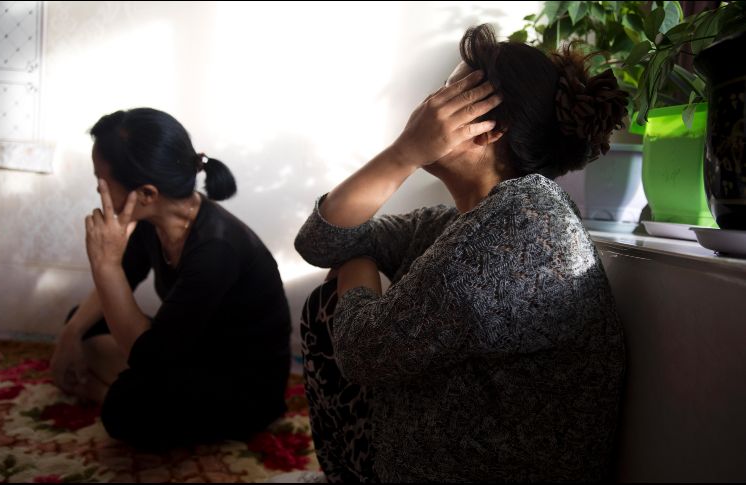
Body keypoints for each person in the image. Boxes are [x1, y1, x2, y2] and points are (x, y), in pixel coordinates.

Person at [294, 24, 627, 482]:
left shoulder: (523, 225)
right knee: (327, 302)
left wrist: (358, 261)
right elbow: (320, 240)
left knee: (338, 301)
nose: (426, 109)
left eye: (447, 97)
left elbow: (361, 351)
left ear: (492, 130)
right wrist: (401, 154)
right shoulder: (458, 220)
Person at [50, 108, 292, 450]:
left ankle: (101, 389)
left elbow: (149, 357)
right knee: (82, 320)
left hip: (240, 385)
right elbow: (128, 283)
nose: (98, 190)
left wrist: (105, 266)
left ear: (147, 194)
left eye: (102, 182)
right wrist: (69, 335)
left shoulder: (216, 249)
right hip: (188, 351)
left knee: (124, 410)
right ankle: (105, 375)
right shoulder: (152, 222)